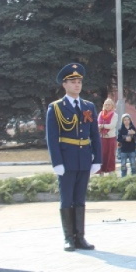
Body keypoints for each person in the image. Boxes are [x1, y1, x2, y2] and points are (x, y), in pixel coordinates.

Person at [46, 63, 102, 251]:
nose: (77, 85)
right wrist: (57, 162)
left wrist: (98, 159)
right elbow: (52, 138)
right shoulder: (56, 108)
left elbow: (95, 134)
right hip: (67, 159)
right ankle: (69, 237)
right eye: (73, 82)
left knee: (80, 198)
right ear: (65, 85)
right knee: (66, 198)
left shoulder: (89, 106)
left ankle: (80, 237)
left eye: (79, 82)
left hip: (84, 158)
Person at [97, 98, 118, 174]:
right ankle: (101, 174)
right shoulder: (100, 114)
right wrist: (102, 126)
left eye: (109, 104)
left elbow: (112, 125)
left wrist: (102, 126)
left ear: (112, 105)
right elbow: (97, 124)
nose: (107, 106)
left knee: (110, 156)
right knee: (101, 156)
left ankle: (111, 174)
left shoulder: (114, 115)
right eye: (106, 104)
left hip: (111, 138)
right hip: (102, 137)